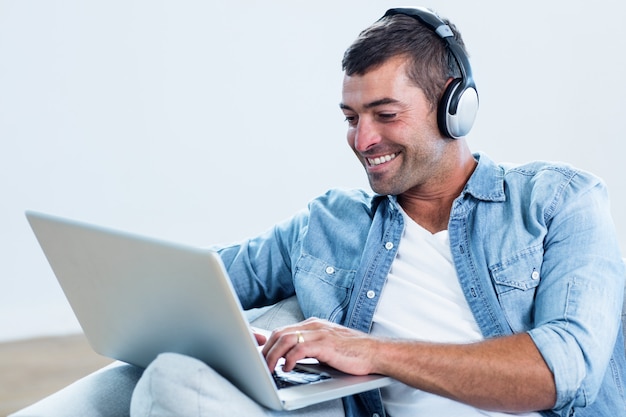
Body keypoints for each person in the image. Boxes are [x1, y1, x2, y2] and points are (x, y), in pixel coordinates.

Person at [130, 6, 626, 417]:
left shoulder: (560, 202)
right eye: (351, 118)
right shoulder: (328, 223)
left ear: (455, 107)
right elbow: (199, 280)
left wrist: (369, 350)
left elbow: (562, 371)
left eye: (386, 115)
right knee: (167, 380)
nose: (363, 140)